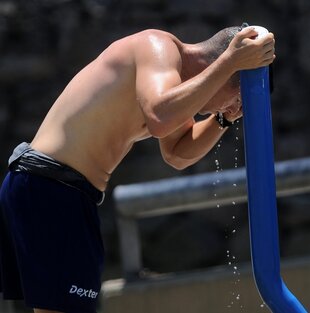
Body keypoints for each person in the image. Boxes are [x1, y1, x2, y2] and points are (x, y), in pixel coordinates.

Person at [0, 24, 276, 313]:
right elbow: (159, 116)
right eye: (237, 99)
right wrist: (231, 61)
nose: (234, 107)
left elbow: (177, 152)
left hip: (55, 189)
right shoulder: (157, 46)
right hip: (51, 187)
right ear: (222, 64)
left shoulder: (173, 85)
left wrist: (224, 120)